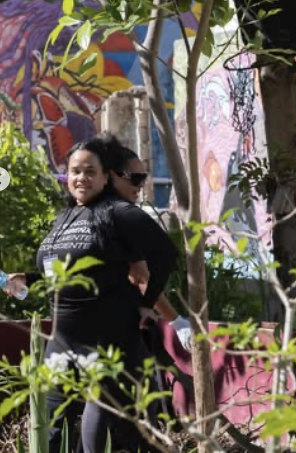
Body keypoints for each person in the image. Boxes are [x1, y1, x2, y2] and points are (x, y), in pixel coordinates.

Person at [4, 137, 178, 453]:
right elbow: (66, 269)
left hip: (108, 344)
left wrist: (146, 304)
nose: (81, 178)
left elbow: (165, 254)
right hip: (61, 345)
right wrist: (27, 278)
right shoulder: (64, 217)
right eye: (75, 171)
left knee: (119, 439)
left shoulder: (118, 212)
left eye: (90, 171)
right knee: (50, 434)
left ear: (105, 176)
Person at [106, 140, 192, 351]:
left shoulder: (84, 214)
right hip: (120, 327)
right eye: (135, 178)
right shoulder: (121, 215)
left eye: (143, 179)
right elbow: (141, 277)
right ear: (112, 176)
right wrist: (177, 322)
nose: (140, 186)